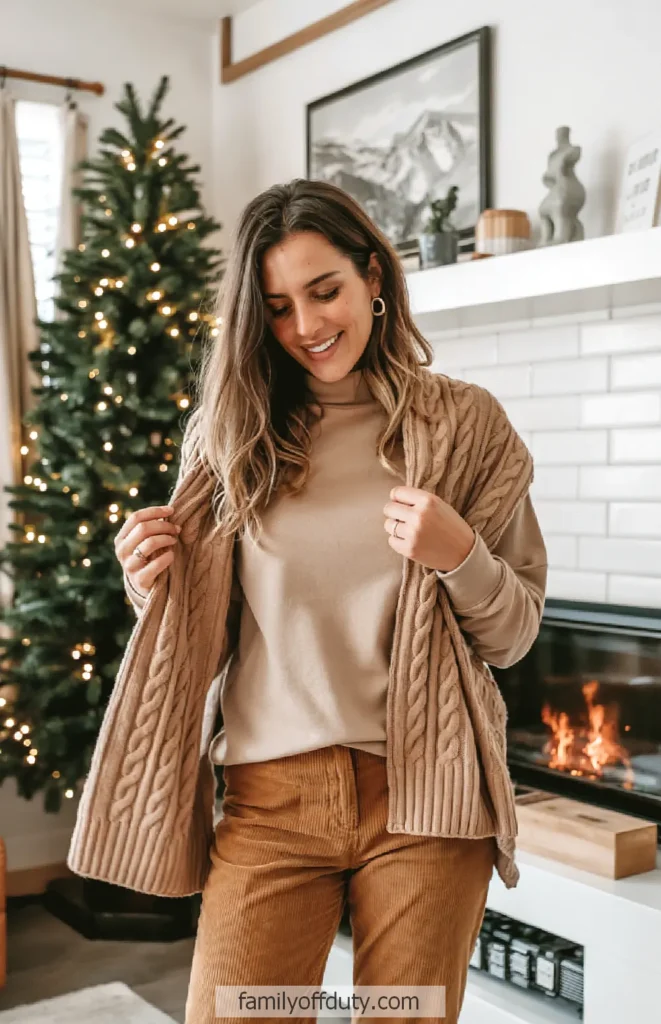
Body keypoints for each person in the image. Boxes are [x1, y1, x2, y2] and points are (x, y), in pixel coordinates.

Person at [70, 179, 547, 1024]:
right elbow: (201, 623)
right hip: (270, 804)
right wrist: (149, 581)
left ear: (373, 275)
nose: (306, 326)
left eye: (324, 291)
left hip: (426, 802)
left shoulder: (468, 427)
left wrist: (459, 556)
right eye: (277, 307)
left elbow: (511, 636)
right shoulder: (232, 432)